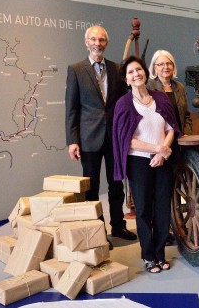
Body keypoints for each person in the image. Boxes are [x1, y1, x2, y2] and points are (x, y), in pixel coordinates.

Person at [65, 25, 137, 249]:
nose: (98, 44)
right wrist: (72, 140)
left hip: (114, 137)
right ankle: (97, 231)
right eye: (94, 40)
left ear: (106, 43)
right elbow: (72, 108)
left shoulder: (117, 69)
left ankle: (118, 225)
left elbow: (128, 98)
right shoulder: (76, 69)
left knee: (116, 185)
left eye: (102, 40)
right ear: (86, 42)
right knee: (92, 187)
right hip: (88, 139)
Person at [112, 55, 181, 273]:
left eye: (139, 70)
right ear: (126, 79)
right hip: (138, 162)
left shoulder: (160, 98)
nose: (136, 74)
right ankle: (148, 255)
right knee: (142, 209)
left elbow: (172, 128)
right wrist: (156, 149)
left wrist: (164, 150)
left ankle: (160, 253)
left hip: (163, 160)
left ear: (145, 72)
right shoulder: (123, 104)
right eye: (131, 72)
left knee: (162, 208)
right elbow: (126, 140)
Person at [147, 50, 193, 135]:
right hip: (159, 139)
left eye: (169, 63)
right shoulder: (149, 87)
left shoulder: (180, 87)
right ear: (154, 67)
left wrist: (187, 135)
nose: (166, 67)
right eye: (161, 64)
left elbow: (186, 116)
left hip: (181, 139)